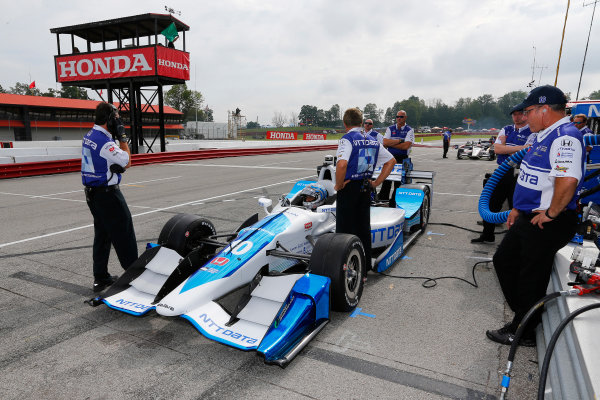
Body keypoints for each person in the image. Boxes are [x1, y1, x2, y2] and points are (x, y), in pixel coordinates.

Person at [486, 85, 586, 347]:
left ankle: (524, 330)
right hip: (527, 215)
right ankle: (527, 316)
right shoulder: (543, 135)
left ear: (544, 110)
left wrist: (552, 213)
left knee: (531, 275)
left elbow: (567, 181)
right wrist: (518, 207)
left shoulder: (565, 137)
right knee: (504, 261)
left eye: (528, 111)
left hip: (546, 221)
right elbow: (533, 179)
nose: (525, 116)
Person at [82, 102, 138, 292]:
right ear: (108, 120)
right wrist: (123, 137)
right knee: (125, 234)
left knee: (103, 235)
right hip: (108, 195)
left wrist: (113, 166)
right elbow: (128, 161)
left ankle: (100, 277)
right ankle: (135, 277)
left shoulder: (89, 135)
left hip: (92, 195)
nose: (118, 121)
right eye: (116, 118)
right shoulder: (105, 142)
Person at [335, 108, 395, 271]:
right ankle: (364, 267)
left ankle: (344, 268)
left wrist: (338, 184)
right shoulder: (373, 140)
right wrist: (376, 183)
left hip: (349, 188)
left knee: (344, 230)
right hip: (366, 187)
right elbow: (391, 161)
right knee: (363, 228)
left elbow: (341, 164)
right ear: (361, 123)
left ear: (345, 123)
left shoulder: (347, 139)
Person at [472, 106, 534, 243]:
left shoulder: (533, 131)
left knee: (516, 207)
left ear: (526, 115)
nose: (517, 117)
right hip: (502, 172)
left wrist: (509, 149)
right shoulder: (507, 129)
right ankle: (488, 235)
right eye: (514, 115)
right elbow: (498, 149)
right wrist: (520, 149)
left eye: (520, 114)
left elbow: (528, 153)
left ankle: (514, 242)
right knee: (490, 203)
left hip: (520, 173)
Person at [379, 110, 414, 207]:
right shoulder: (390, 128)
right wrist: (400, 141)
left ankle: (395, 201)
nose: (399, 118)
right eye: (397, 116)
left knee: (399, 182)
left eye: (401, 117)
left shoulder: (409, 130)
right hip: (390, 157)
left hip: (402, 158)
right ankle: (383, 199)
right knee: (386, 179)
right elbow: (385, 142)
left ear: (405, 117)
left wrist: (392, 143)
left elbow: (406, 146)